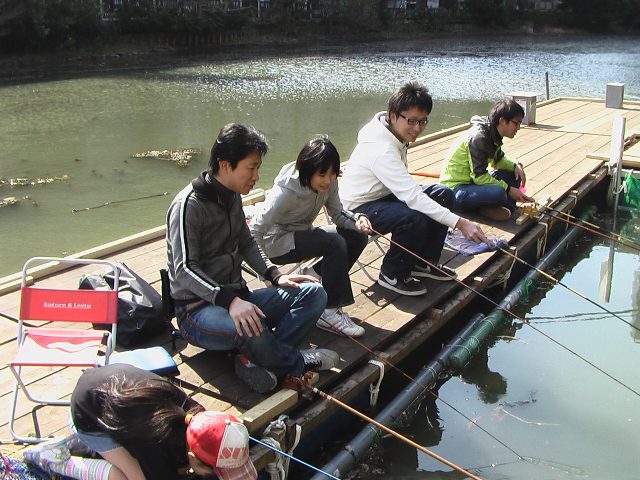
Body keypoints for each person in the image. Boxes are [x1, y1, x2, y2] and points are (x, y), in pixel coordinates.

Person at [166, 123, 338, 394]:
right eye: (251, 167)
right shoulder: (188, 206)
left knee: (313, 293)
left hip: (239, 298)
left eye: (258, 167)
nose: (257, 176)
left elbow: (247, 242)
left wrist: (275, 275)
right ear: (225, 165)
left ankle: (252, 360)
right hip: (198, 311)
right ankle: (296, 362)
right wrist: (229, 301)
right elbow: (183, 270)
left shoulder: (232, 197)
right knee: (250, 326)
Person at [340, 82, 489, 296]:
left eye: (423, 121)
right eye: (411, 121)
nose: (417, 128)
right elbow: (413, 198)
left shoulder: (395, 134)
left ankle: (422, 262)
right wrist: (461, 223)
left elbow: (410, 193)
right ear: (393, 116)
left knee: (442, 194)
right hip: (357, 208)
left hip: (384, 195)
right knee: (412, 217)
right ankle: (392, 274)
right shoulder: (381, 149)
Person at [24, 363, 258, 480]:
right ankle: (54, 457)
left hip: (117, 390)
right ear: (194, 458)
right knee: (128, 477)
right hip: (87, 409)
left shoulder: (200, 417)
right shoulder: (155, 439)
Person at [250, 136, 371, 338]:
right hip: (277, 243)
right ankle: (329, 311)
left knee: (356, 236)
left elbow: (338, 214)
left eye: (332, 174)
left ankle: (315, 274)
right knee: (334, 242)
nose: (328, 180)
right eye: (322, 174)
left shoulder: (329, 182)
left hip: (303, 233)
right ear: (307, 170)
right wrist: (268, 274)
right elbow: (254, 231)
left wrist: (358, 220)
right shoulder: (284, 193)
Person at [440, 99, 532, 221]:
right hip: (456, 189)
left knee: (514, 174)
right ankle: (484, 207)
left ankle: (495, 207)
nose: (519, 128)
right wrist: (509, 189)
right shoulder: (479, 138)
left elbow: (498, 161)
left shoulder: (493, 133)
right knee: (499, 193)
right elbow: (479, 177)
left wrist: (515, 166)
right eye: (516, 123)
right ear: (503, 121)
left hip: (472, 184)